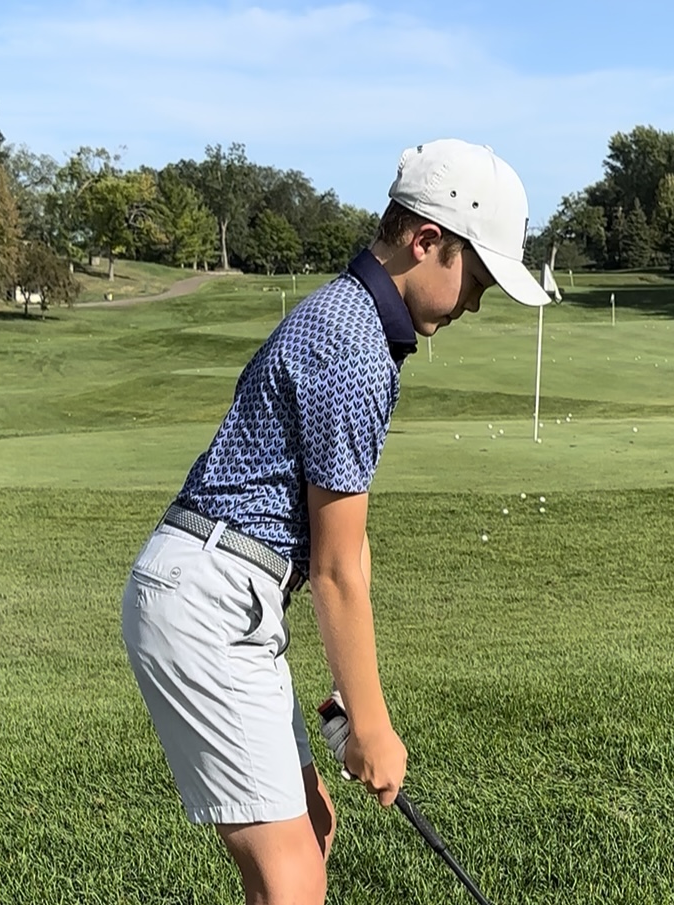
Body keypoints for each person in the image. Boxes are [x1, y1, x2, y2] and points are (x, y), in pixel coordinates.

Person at [120, 138, 551, 905]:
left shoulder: (352, 321)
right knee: (291, 872)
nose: (476, 303)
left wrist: (355, 703)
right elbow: (335, 571)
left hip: (228, 592)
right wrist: (376, 729)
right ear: (427, 241)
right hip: (213, 596)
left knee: (308, 830)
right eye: (476, 279)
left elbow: (346, 544)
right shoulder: (354, 346)